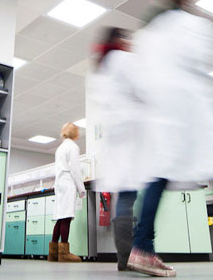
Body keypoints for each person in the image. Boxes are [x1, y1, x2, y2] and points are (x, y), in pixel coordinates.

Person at [125, 0, 213, 276]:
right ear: (186, 2)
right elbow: (202, 63)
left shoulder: (149, 35)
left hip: (164, 119)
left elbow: (140, 81)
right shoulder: (197, 26)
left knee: (158, 178)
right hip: (190, 115)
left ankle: (142, 248)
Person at [87, 27, 146, 271]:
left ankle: (125, 257)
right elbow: (142, 90)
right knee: (129, 197)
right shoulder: (122, 60)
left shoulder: (100, 68)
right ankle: (131, 255)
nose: (129, 42)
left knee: (125, 198)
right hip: (129, 137)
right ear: (118, 40)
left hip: (116, 140)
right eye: (126, 38)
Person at [49, 122, 85, 263]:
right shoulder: (73, 147)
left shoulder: (61, 147)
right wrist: (81, 189)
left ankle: (53, 253)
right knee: (67, 217)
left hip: (59, 183)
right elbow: (75, 169)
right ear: (75, 133)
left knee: (60, 217)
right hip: (68, 183)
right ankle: (64, 253)